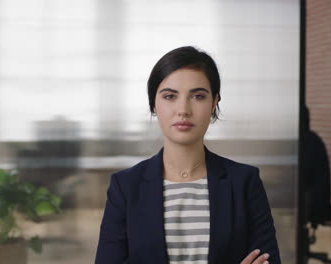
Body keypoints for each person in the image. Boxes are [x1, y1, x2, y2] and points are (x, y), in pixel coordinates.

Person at [95, 46, 281, 264]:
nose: (183, 109)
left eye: (198, 96)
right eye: (170, 96)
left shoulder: (244, 183)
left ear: (214, 103)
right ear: (154, 104)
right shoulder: (125, 187)